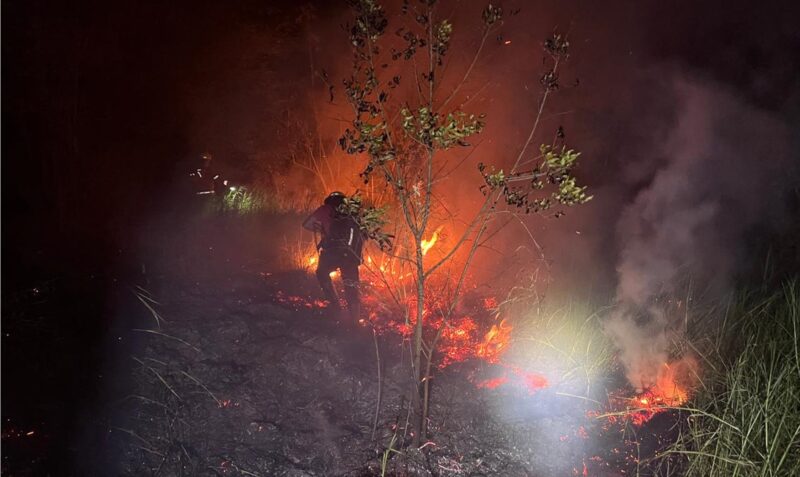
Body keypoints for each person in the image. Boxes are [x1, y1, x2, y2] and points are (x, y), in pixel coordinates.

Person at [302, 192, 364, 319]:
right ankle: (356, 321)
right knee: (351, 285)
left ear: (329, 200)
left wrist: (323, 229)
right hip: (350, 254)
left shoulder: (324, 209)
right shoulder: (351, 212)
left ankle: (336, 307)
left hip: (331, 252)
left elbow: (306, 224)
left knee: (322, 273)